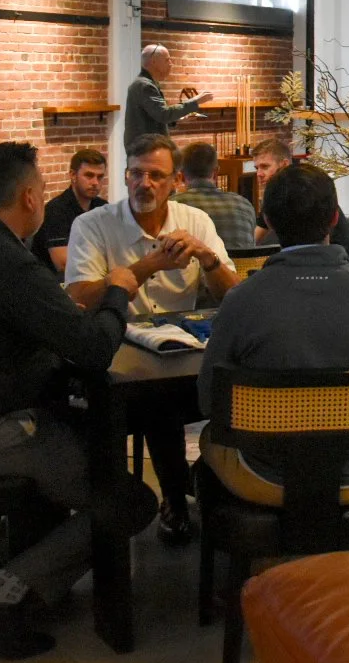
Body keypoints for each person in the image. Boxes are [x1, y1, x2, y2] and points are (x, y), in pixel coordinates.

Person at [0, 142, 144, 658]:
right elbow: (94, 349)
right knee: (126, 499)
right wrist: (120, 290)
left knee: (65, 459)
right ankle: (3, 595)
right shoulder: (10, 264)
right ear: (31, 197)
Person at [198, 163, 349, 503]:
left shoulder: (241, 299)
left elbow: (208, 398)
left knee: (209, 441)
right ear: (334, 218)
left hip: (266, 475)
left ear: (267, 221)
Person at [67, 134, 239, 541]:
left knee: (228, 389)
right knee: (160, 407)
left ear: (176, 180)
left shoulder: (194, 221)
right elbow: (79, 298)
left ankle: (222, 491)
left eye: (156, 176)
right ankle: (173, 501)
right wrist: (148, 265)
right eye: (136, 174)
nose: (144, 184)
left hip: (178, 355)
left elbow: (234, 296)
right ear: (125, 177)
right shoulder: (93, 225)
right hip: (115, 360)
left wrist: (207, 257)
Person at [252, 138, 349, 263]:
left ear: (285, 164)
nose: (259, 174)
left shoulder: (301, 191)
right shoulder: (279, 192)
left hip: (335, 260)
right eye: (256, 168)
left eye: (265, 167)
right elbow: (255, 238)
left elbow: (253, 240)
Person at [31, 147, 108, 274]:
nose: (95, 182)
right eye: (89, 175)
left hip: (94, 278)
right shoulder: (56, 210)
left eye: (100, 177)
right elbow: (64, 264)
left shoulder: (103, 207)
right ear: (73, 175)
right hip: (56, 285)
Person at [123, 44, 212, 151]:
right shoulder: (145, 85)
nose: (171, 64)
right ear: (153, 62)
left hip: (146, 149)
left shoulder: (145, 83)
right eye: (167, 60)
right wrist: (195, 101)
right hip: (146, 152)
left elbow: (154, 116)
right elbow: (163, 114)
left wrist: (178, 119)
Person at [173, 141, 259, 251]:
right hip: (241, 268)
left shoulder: (173, 206)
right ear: (216, 173)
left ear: (181, 175)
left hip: (200, 267)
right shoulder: (245, 205)